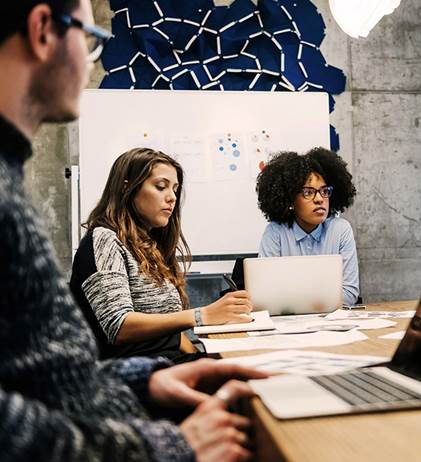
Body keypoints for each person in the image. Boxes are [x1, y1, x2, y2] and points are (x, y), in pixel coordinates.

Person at [0, 1, 268, 460]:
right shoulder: (96, 235)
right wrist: (167, 447)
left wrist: (143, 381)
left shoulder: (10, 180)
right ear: (44, 29)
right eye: (90, 40)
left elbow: (45, 379)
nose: (90, 61)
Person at [70, 148, 253, 361]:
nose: (172, 198)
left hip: (165, 362)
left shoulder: (150, 246)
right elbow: (119, 326)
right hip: (133, 374)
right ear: (127, 188)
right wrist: (202, 316)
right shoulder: (104, 240)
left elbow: (169, 332)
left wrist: (203, 355)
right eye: (160, 187)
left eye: (175, 189)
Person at [255, 147, 360, 306]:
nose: (319, 199)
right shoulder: (275, 232)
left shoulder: (340, 230)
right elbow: (266, 295)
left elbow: (350, 294)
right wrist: (321, 299)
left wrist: (294, 300)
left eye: (324, 191)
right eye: (308, 192)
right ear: (290, 199)